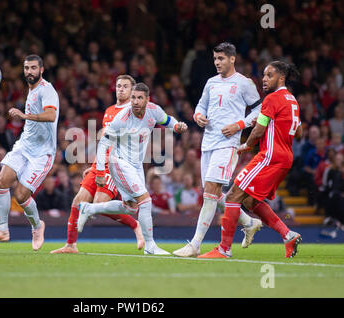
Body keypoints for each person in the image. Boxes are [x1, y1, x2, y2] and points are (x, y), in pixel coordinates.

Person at [199, 60, 303, 259]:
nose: (264, 79)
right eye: (263, 75)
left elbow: (259, 129)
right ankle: (288, 235)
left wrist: (247, 145)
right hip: (285, 158)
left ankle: (224, 249)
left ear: (281, 78)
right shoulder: (292, 101)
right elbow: (298, 131)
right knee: (249, 199)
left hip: (270, 156)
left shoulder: (272, 99)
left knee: (232, 197)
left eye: (269, 75)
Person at [173, 42, 263, 258]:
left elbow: (261, 109)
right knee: (212, 194)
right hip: (208, 143)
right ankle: (249, 222)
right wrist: (198, 117)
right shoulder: (211, 83)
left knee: (210, 193)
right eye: (215, 59)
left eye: (221, 59)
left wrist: (239, 125)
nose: (217, 63)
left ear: (232, 59)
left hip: (227, 144)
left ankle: (195, 245)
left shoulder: (244, 83)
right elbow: (200, 107)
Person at [77, 83, 188, 255]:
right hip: (119, 161)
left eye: (139, 98)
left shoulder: (154, 110)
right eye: (133, 98)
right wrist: (99, 172)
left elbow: (167, 120)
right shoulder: (122, 117)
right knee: (146, 200)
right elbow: (103, 143)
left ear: (147, 100)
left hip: (136, 165)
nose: (135, 101)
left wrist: (177, 126)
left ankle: (89, 209)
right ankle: (150, 246)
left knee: (130, 207)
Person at [50, 75, 145, 254]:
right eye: (118, 86)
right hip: (100, 165)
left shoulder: (133, 112)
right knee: (78, 201)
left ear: (132, 91)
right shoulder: (109, 111)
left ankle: (135, 225)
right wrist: (96, 164)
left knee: (99, 204)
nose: (121, 89)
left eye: (125, 86)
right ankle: (70, 245)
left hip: (116, 166)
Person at [0, 54, 59, 251]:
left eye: (33, 68)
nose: (29, 72)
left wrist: (24, 115)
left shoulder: (46, 90)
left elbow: (51, 115)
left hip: (43, 153)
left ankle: (37, 226)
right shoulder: (31, 91)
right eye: (26, 68)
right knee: (1, 182)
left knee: (21, 195)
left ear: (41, 70)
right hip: (24, 146)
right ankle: (2, 230)